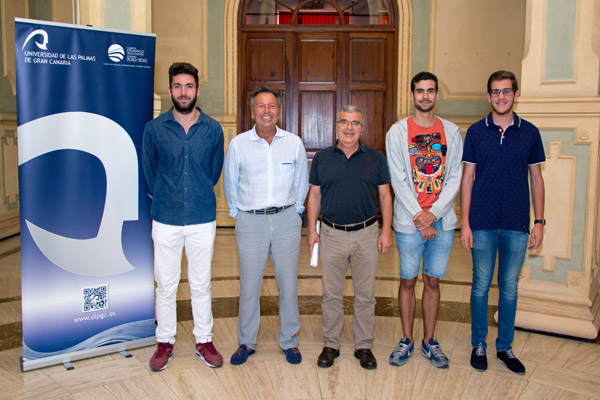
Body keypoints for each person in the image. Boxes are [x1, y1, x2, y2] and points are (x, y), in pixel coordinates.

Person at [461, 70, 545, 374]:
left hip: (517, 223)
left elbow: (536, 178)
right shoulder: (475, 132)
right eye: (495, 92)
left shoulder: (530, 132)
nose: (501, 97)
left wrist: (539, 222)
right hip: (481, 223)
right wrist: (466, 224)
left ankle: (505, 347)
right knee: (480, 285)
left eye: (506, 91)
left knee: (509, 287)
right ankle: (479, 344)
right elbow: (467, 179)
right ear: (488, 96)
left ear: (516, 94)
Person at [142, 62, 224, 371]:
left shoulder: (213, 129)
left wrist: (195, 193)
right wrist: (168, 194)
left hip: (202, 216)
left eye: (189, 86)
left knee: (201, 283)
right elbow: (150, 173)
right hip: (166, 217)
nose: (183, 92)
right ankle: (165, 342)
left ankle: (204, 341)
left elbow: (213, 173)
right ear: (169, 91)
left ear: (198, 90)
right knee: (165, 284)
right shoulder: (155, 129)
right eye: (177, 86)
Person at [223, 85, 309, 365]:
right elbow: (230, 182)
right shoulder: (238, 144)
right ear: (252, 111)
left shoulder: (293, 142)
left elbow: (301, 181)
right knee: (249, 286)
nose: (267, 111)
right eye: (261, 106)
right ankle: (246, 342)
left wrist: (295, 211)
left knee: (288, 284)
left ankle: (290, 341)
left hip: (286, 219)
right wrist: (239, 212)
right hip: (250, 221)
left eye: (272, 106)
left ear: (279, 111)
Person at [385, 72, 463, 369]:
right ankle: (406, 339)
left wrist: (435, 213)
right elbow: (398, 178)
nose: (425, 96)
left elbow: (455, 176)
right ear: (412, 95)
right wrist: (421, 217)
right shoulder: (397, 132)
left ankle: (430, 342)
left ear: (437, 95)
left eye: (431, 91)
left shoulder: (453, 132)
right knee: (408, 280)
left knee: (432, 280)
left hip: (441, 221)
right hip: (409, 223)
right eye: (420, 91)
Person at [307, 105, 393, 370]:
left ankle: (363, 346)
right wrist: (312, 231)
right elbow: (314, 196)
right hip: (331, 234)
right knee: (331, 295)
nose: (349, 127)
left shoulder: (376, 158)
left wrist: (386, 231)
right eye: (344, 122)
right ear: (336, 126)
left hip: (367, 234)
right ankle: (330, 345)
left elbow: (385, 196)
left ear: (362, 128)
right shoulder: (322, 158)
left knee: (365, 296)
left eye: (355, 123)